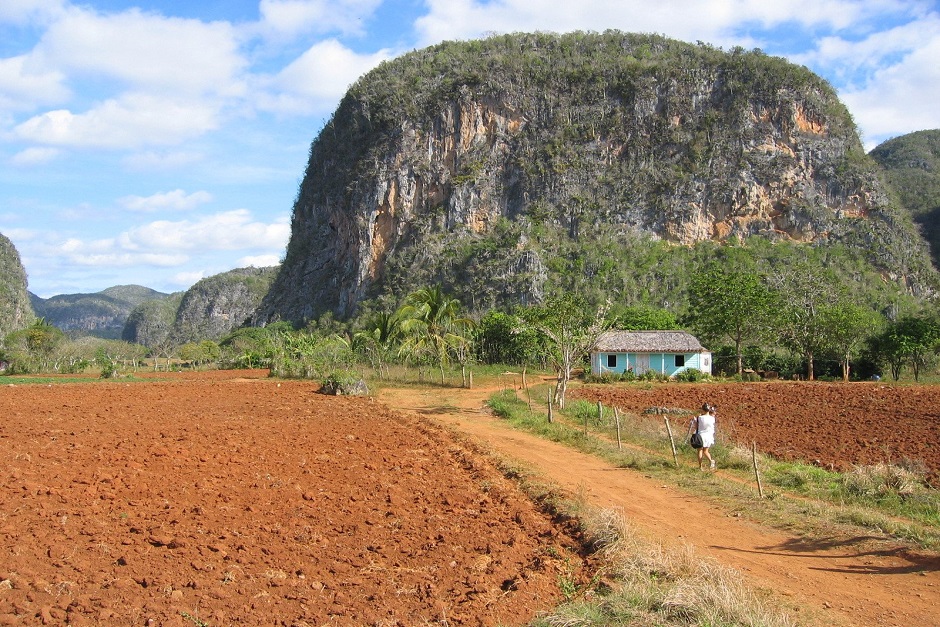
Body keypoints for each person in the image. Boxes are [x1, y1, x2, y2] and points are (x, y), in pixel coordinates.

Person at [688, 403, 717, 470]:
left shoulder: (699, 418)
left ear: (702, 410)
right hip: (709, 436)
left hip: (701, 436)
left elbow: (696, 426)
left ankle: (700, 466)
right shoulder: (712, 418)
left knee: (700, 451)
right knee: (706, 451)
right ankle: (711, 461)